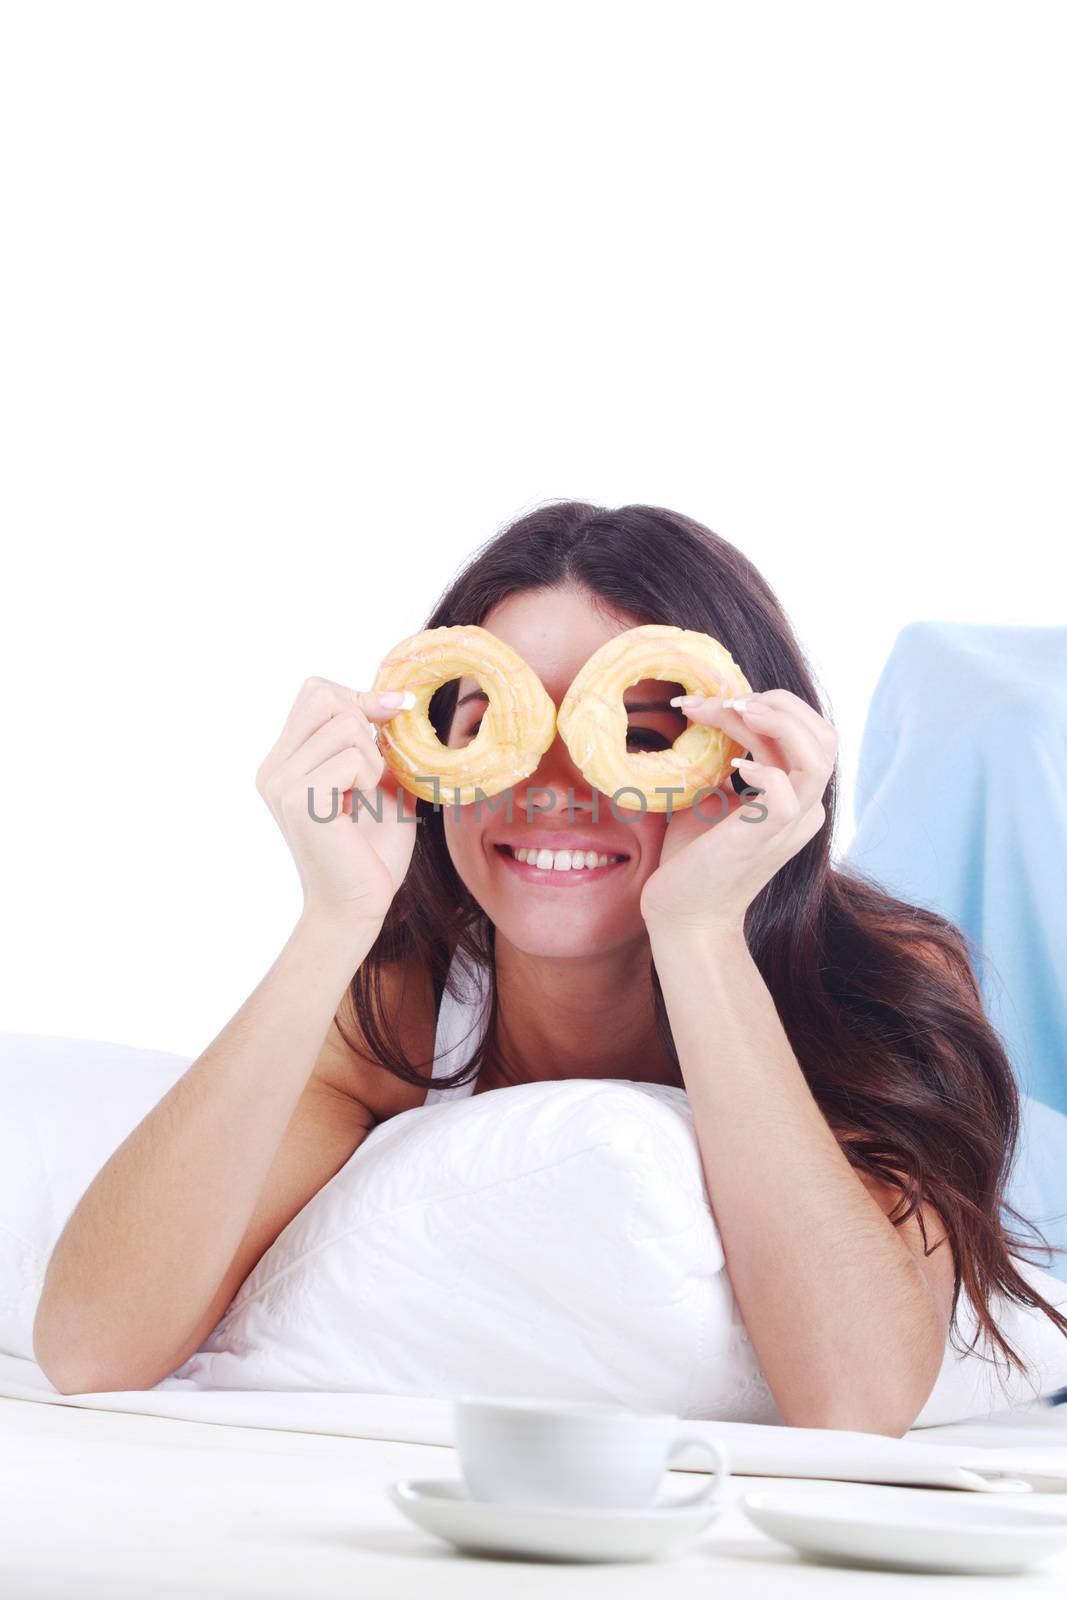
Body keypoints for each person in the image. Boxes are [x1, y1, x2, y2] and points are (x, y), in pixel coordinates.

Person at [33, 501, 1067, 1432]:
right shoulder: (405, 1000)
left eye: (640, 732)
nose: (552, 784)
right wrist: (333, 917)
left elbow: (855, 1399)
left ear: (740, 759)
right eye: (496, 728)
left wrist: (699, 930)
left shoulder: (885, 977)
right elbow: (90, 1350)